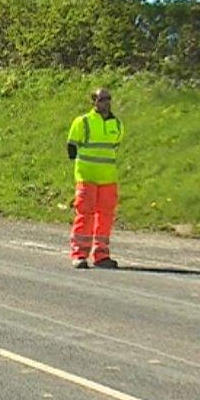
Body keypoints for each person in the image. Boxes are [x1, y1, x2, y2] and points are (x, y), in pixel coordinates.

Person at [66, 88, 124, 269]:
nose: (106, 102)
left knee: (105, 217)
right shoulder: (82, 122)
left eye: (108, 99)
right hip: (87, 178)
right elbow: (71, 149)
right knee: (85, 215)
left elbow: (114, 147)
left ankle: (101, 255)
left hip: (108, 179)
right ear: (94, 102)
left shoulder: (117, 124)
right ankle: (79, 254)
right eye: (102, 99)